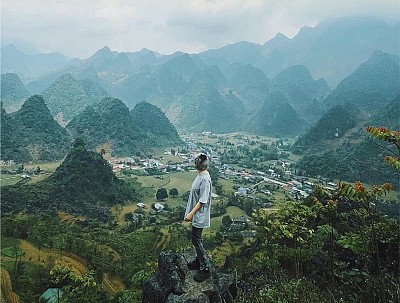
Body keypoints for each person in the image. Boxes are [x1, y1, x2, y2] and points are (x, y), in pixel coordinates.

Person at [184, 153, 212, 282]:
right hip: (197, 214)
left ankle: (205, 268)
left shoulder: (205, 179)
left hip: (199, 214)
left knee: (196, 239)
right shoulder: (200, 175)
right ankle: (198, 260)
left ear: (198, 164)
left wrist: (191, 213)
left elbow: (202, 200)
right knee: (195, 238)